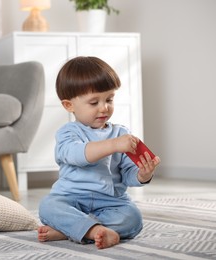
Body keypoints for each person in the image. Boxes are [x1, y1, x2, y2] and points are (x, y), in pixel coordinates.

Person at [37, 56, 161, 249]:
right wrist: (113, 145)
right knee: (48, 207)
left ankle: (72, 229)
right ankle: (91, 230)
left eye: (109, 99)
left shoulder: (121, 133)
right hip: (71, 198)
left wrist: (143, 175)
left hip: (110, 202)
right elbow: (76, 155)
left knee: (132, 218)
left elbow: (127, 174)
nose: (104, 108)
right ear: (69, 106)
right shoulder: (68, 133)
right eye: (94, 102)